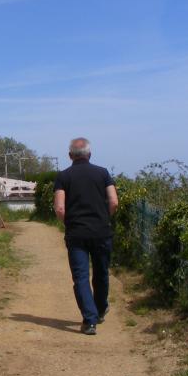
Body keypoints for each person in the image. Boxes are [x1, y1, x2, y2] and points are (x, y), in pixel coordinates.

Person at [54, 137, 118, 335]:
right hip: (101, 232)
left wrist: (68, 223)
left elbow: (60, 207)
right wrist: (104, 219)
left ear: (70, 155)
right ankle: (100, 309)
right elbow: (114, 201)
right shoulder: (103, 173)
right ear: (89, 154)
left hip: (76, 234)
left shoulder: (63, 176)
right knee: (101, 273)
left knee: (81, 276)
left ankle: (90, 321)